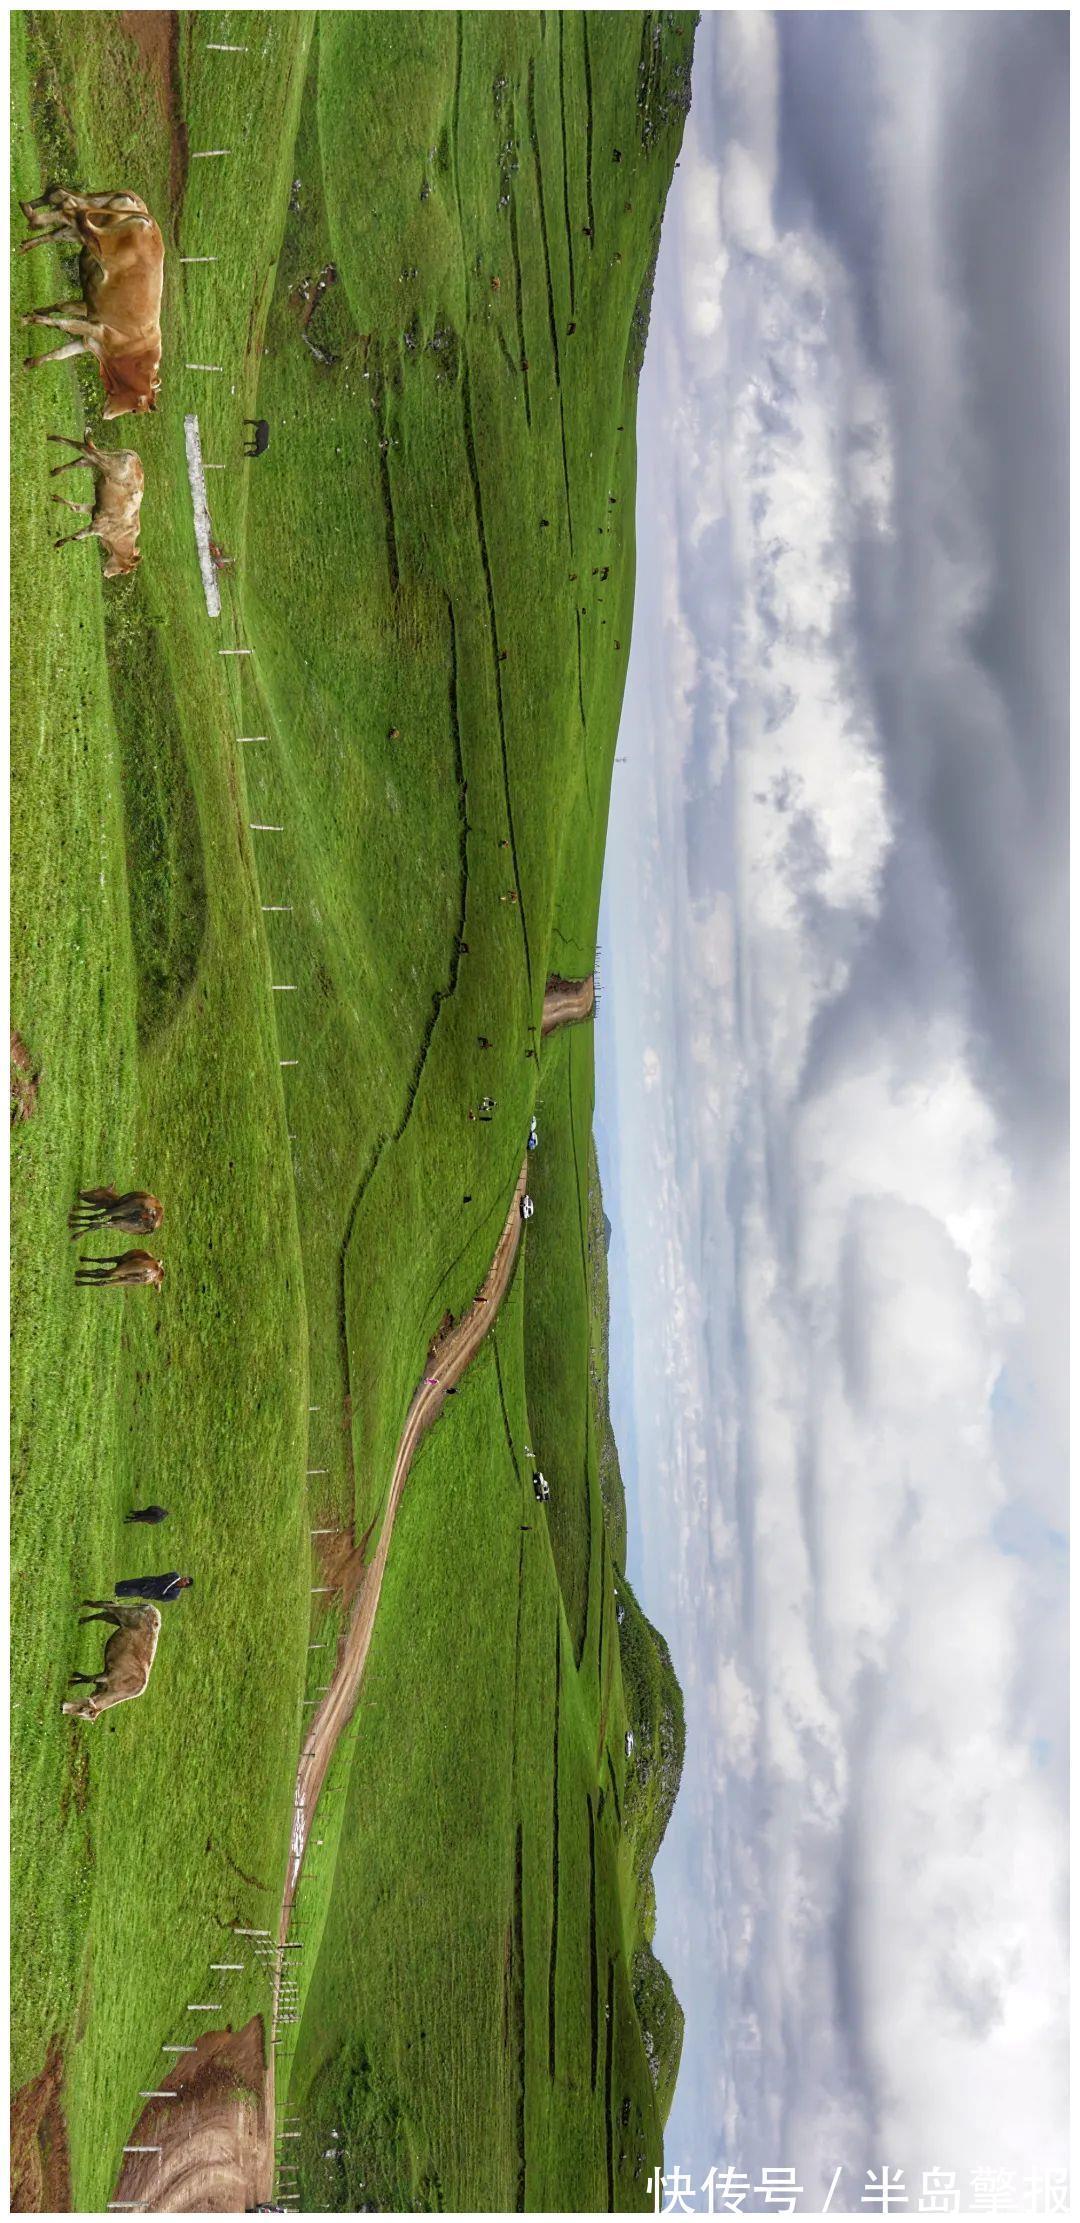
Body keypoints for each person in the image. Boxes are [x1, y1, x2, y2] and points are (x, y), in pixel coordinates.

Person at [113, 1572, 193, 1603]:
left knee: (131, 1592)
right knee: (130, 1583)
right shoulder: (175, 1575)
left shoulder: (174, 1594)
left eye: (185, 1581)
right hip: (150, 1581)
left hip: (150, 1592)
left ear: (184, 1586)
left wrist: (154, 1594)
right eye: (185, 1578)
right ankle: (116, 1585)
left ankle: (115, 1592)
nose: (183, 1579)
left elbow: (162, 1598)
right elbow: (162, 1576)